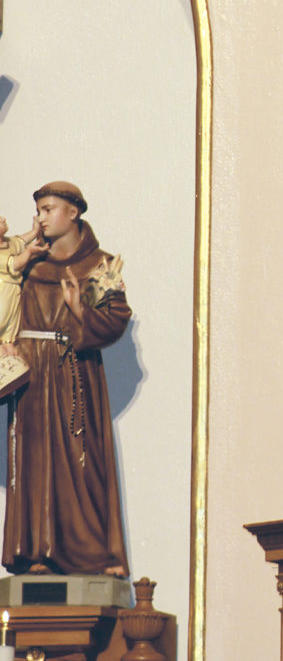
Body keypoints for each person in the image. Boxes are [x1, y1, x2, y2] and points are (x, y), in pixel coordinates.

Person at [2, 181, 132, 577]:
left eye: (49, 208)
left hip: (75, 374)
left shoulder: (99, 265)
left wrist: (80, 312)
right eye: (38, 210)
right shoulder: (27, 265)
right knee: (35, 462)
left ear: (73, 212)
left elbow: (114, 321)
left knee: (82, 463)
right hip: (31, 377)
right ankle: (37, 551)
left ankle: (94, 553)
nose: (40, 217)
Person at [0, 215, 48, 398]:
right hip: (2, 290)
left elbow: (21, 240)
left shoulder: (9, 242)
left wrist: (35, 230)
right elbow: (15, 264)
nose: (3, 219)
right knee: (2, 317)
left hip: (13, 291)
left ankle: (7, 344)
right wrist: (29, 253)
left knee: (13, 319)